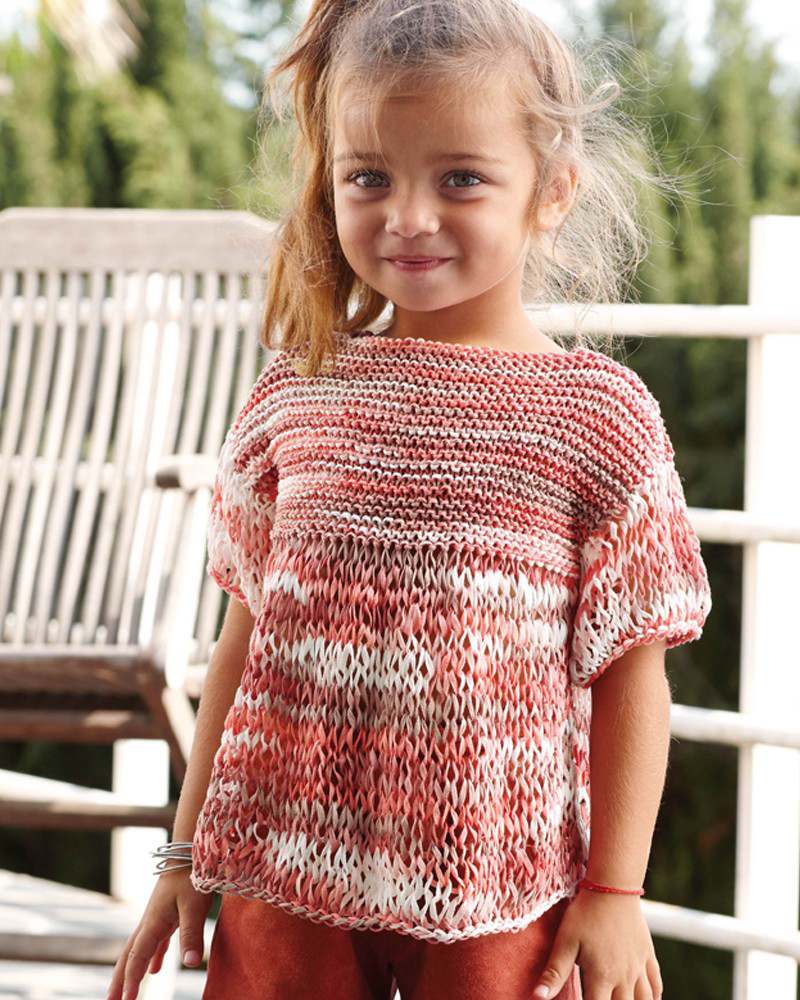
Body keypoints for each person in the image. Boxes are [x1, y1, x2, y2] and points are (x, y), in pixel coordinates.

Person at [106, 0, 713, 998]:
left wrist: (615, 888)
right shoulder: (296, 394)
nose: (409, 217)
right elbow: (243, 642)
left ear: (552, 191)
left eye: (461, 178)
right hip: (283, 866)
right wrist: (183, 855)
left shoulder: (597, 418)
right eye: (369, 178)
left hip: (500, 883)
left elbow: (630, 672)